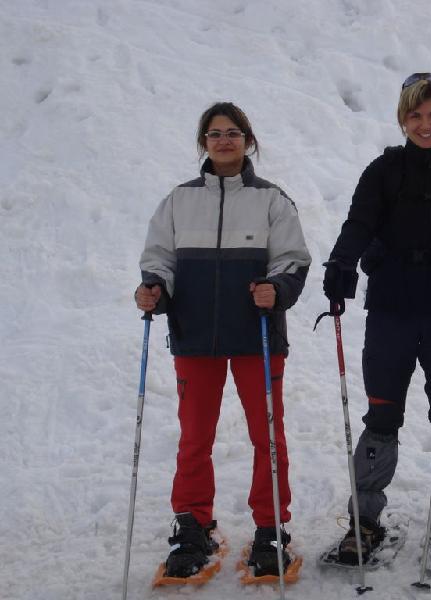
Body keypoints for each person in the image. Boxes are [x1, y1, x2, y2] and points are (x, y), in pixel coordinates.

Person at [323, 73, 431, 568]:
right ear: (402, 119)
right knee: (382, 411)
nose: (426, 124)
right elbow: (358, 222)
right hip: (391, 307)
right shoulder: (384, 170)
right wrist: (340, 264)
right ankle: (365, 518)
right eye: (416, 115)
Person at [135, 101, 311, 579]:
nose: (224, 140)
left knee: (266, 437)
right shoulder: (179, 199)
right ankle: (194, 524)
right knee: (195, 437)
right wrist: (155, 288)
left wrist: (277, 289)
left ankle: (270, 527)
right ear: (203, 142)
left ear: (248, 140)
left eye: (233, 132)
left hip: (257, 333)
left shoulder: (272, 199)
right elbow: (160, 257)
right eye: (215, 134)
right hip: (195, 336)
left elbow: (292, 259)